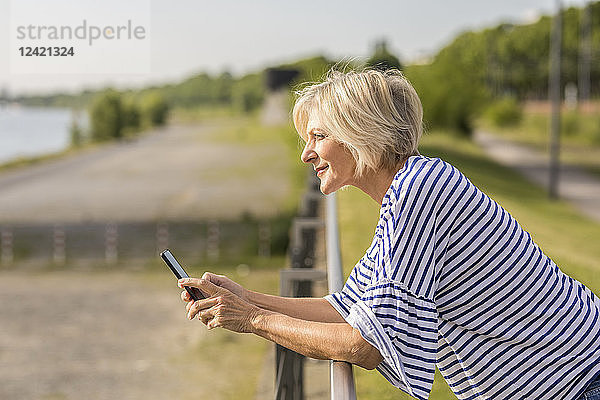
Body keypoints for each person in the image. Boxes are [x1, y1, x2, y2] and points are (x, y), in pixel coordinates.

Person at [177, 68, 600, 400]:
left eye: (318, 136)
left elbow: (364, 345)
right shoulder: (404, 197)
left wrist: (253, 320)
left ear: (361, 133)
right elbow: (344, 308)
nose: (307, 153)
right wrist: (242, 297)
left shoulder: (420, 191)